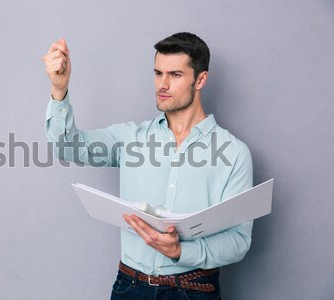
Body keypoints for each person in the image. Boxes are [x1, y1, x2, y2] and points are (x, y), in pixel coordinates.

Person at [43, 32, 253, 300]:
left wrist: (181, 252)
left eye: (175, 75)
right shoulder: (129, 138)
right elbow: (67, 147)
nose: (162, 85)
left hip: (195, 291)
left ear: (200, 79)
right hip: (130, 287)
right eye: (157, 73)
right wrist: (59, 90)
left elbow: (238, 241)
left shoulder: (234, 153)